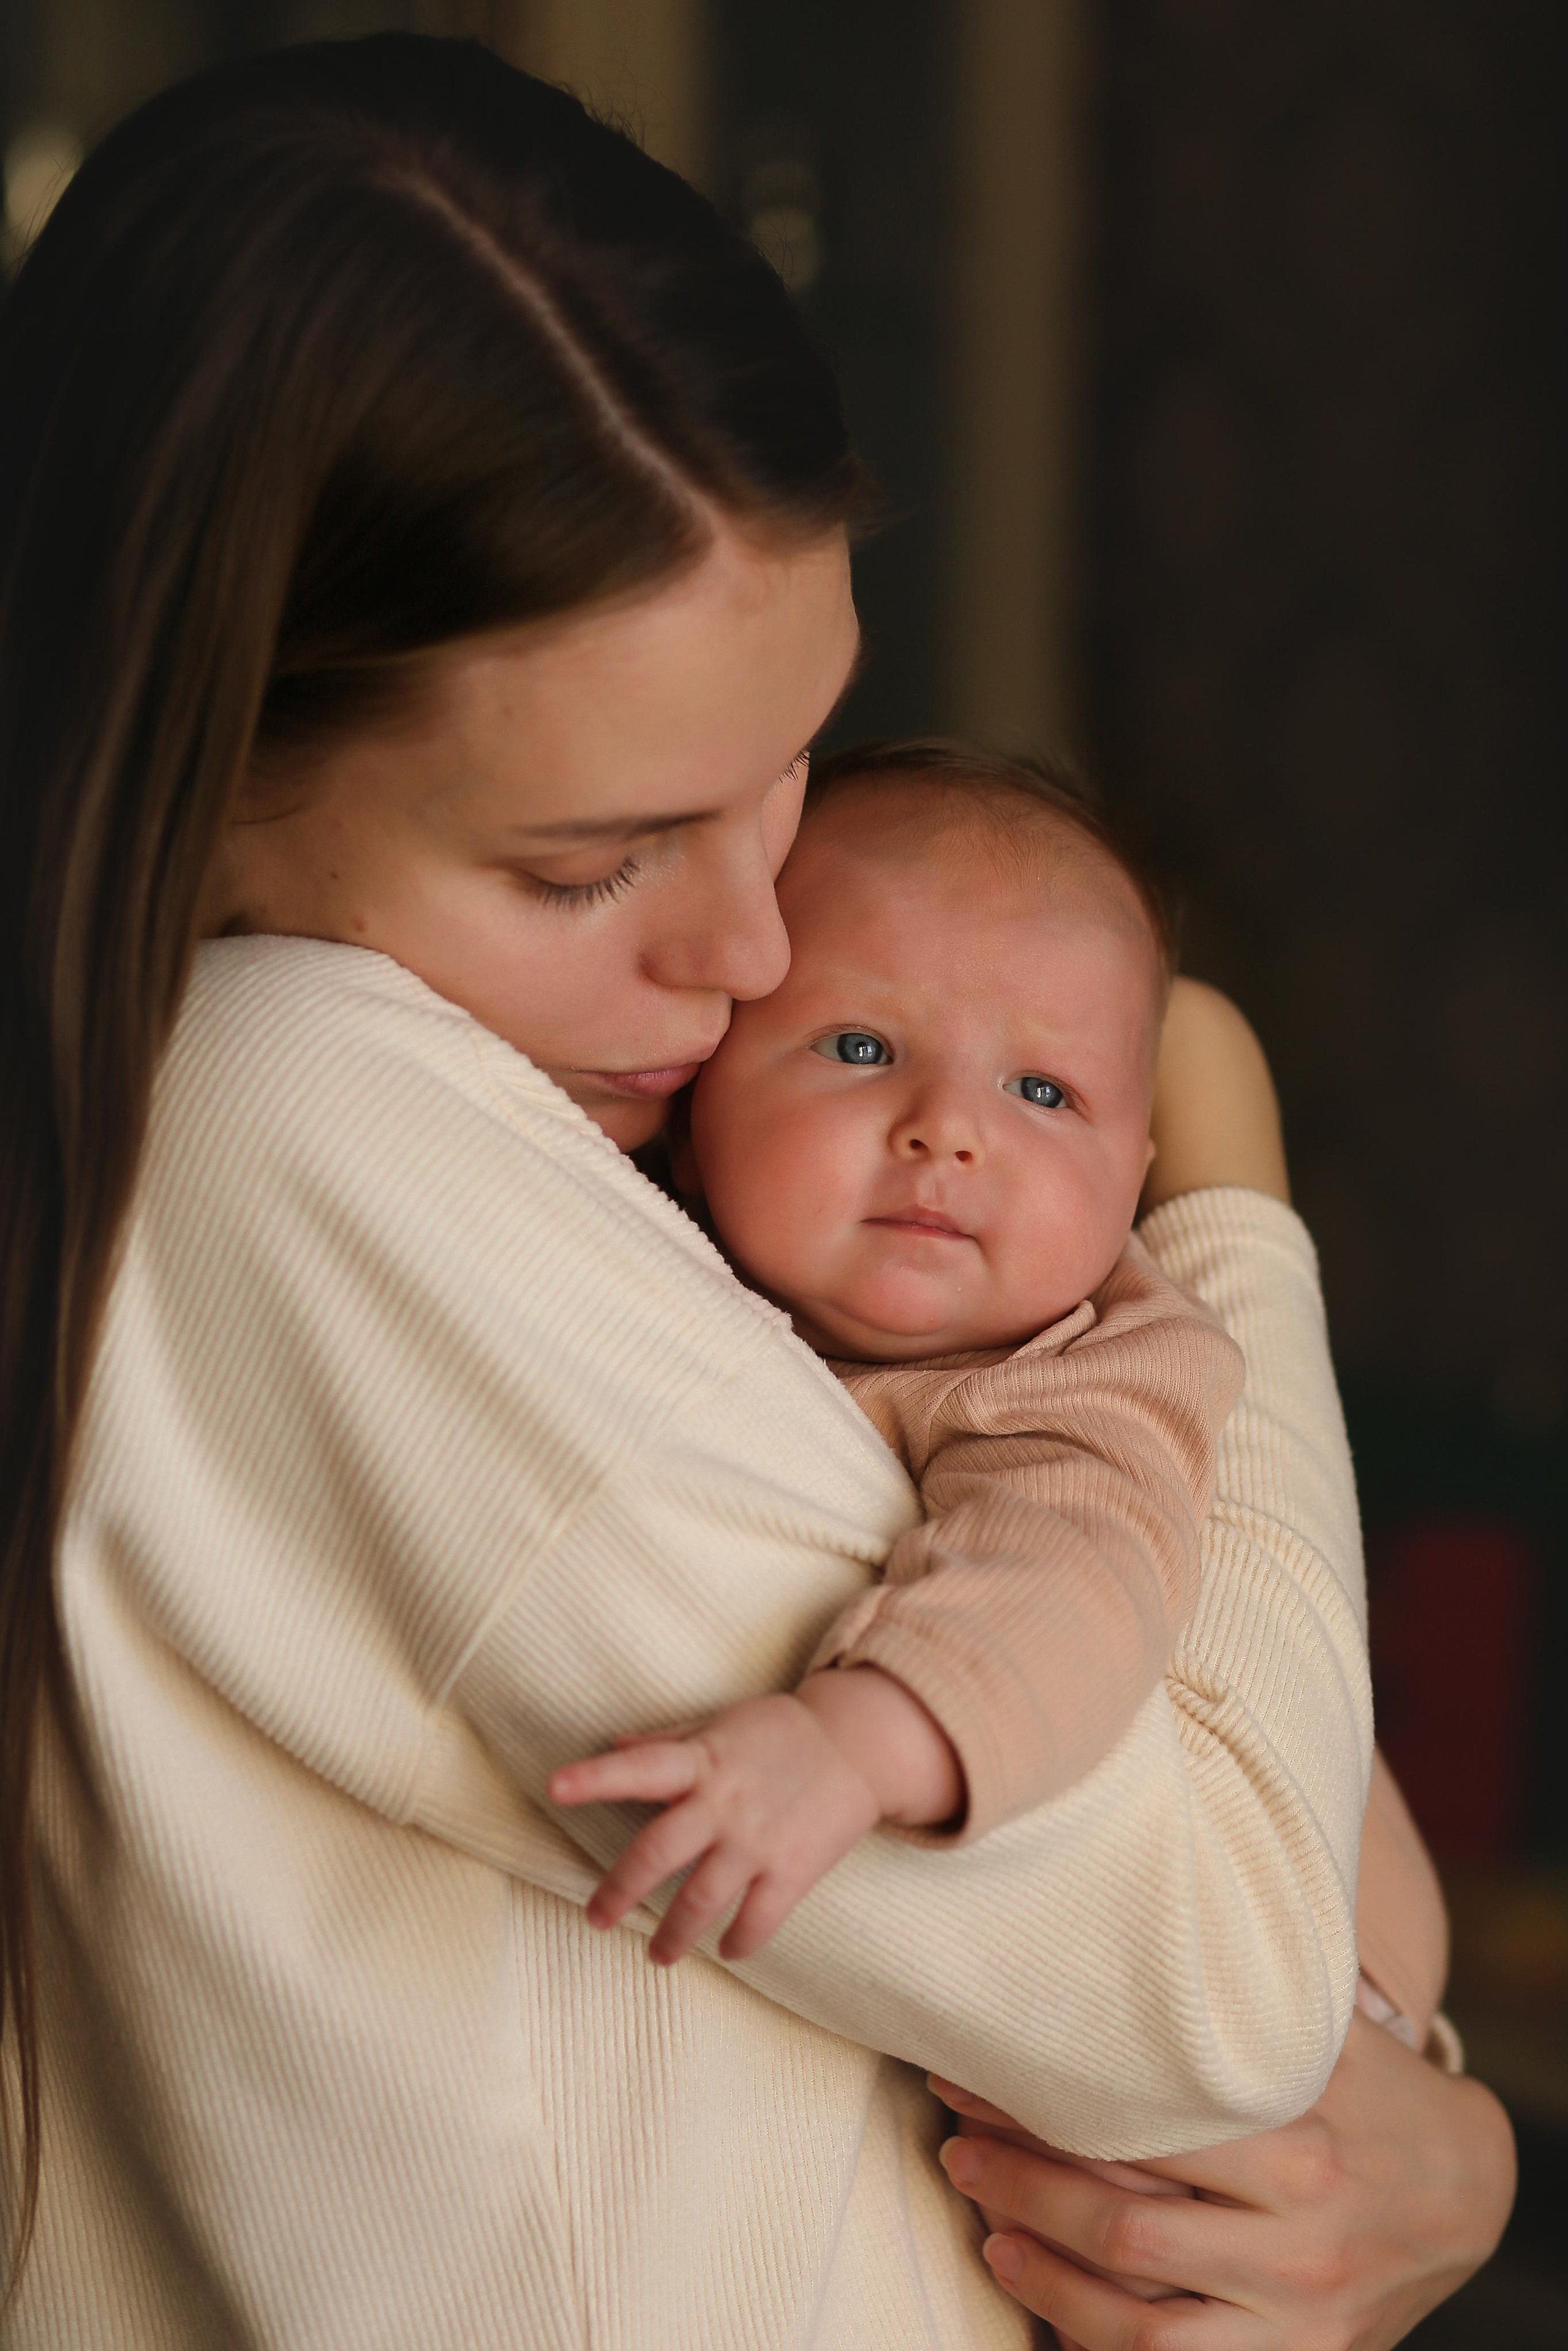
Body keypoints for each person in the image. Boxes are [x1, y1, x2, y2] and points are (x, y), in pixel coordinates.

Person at [0, 33, 1512, 2349]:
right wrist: (1212, 1154)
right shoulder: (300, 1115)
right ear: (178, 769)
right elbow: (1229, 1962)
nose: (751, 952)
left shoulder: (600, 1148)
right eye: (591, 860)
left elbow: (1292, 1907)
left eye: (785, 776)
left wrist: (1423, 2114)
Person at [551, 740, 1247, 1965]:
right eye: (860, 1048)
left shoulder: (1089, 1367)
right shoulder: (631, 1245)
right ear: (696, 1108)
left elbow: (1072, 1583)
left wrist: (852, 1745)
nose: (947, 1131)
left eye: (1041, 1090)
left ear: (1133, 1172)